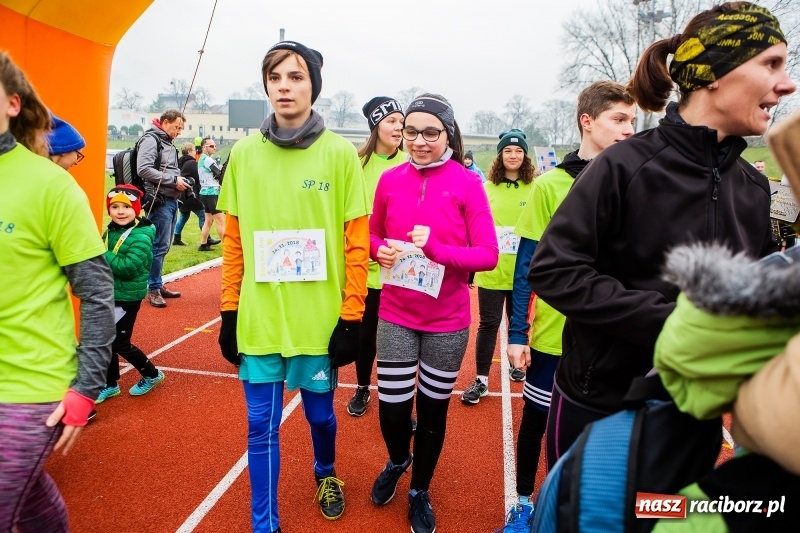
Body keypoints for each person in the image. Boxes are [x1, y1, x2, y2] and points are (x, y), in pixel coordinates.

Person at [529, 1, 794, 467]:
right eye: (770, 63)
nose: (787, 84)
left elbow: (751, 302)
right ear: (714, 72)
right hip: (601, 403)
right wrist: (675, 321)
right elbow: (554, 269)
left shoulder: (754, 188)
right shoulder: (622, 165)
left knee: (665, 518)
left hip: (694, 414)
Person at [216, 41, 370, 533]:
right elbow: (234, 242)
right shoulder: (242, 153)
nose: (284, 86)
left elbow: (356, 245)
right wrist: (229, 311)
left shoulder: (340, 154)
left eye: (296, 77)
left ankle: (325, 472)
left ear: (313, 85)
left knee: (321, 418)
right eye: (276, 77)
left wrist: (351, 315)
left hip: (317, 321)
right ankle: (266, 525)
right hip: (260, 319)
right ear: (266, 85)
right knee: (260, 427)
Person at [504, 81, 635, 530]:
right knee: (538, 423)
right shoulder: (549, 187)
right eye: (619, 119)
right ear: (587, 121)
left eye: (632, 121)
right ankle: (523, 503)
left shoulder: (635, 181)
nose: (628, 130)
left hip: (612, 340)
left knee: (605, 439)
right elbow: (526, 268)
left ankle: (577, 512)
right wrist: (518, 332)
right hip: (553, 338)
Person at [369, 93, 498, 533]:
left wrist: (438, 252)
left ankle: (419, 490)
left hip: (447, 322)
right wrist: (379, 251)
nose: (420, 141)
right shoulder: (389, 180)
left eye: (431, 132)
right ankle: (397, 458)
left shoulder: (467, 183)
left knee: (433, 411)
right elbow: (371, 235)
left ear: (447, 135)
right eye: (412, 132)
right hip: (396, 313)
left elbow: (488, 255)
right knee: (391, 409)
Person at [0, 51, 115, 531]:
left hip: (29, 388)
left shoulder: (50, 185)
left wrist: (86, 388)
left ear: (11, 104)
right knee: (29, 505)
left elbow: (96, 292)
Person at [461, 129, 535, 405]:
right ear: (500, 155)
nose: (513, 155)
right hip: (492, 270)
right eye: (507, 151)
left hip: (523, 273)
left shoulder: (536, 188)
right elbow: (473, 227)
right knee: (488, 325)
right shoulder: (486, 188)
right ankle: (480, 380)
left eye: (518, 151)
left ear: (525, 155)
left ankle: (518, 363)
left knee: (521, 323)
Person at [346, 95, 405, 417]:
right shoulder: (356, 163)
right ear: (375, 126)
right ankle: (362, 387)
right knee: (365, 336)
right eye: (392, 121)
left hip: (402, 269)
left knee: (399, 340)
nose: (399, 127)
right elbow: (348, 213)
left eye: (401, 121)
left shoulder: (411, 164)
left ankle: (397, 398)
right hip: (365, 267)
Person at [95, 184, 165, 405]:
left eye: (126, 207)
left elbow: (127, 267)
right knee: (106, 341)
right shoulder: (111, 230)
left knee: (120, 343)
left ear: (136, 210)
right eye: (115, 207)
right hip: (111, 294)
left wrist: (100, 252)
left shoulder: (141, 236)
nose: (120, 211)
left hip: (127, 298)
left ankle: (152, 374)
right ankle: (110, 384)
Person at [137, 109, 191, 308]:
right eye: (176, 127)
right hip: (159, 200)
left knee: (163, 246)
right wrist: (173, 179)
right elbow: (143, 168)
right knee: (158, 246)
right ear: (165, 122)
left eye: (181, 128)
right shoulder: (152, 140)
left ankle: (157, 284)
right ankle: (152, 289)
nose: (178, 131)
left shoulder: (166, 141)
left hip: (170, 200)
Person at [173, 141, 207, 246]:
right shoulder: (191, 163)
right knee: (203, 215)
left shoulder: (179, 162)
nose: (195, 152)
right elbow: (199, 177)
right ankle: (207, 238)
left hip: (181, 195)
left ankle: (176, 238)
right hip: (191, 195)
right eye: (193, 150)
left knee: (184, 216)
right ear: (189, 151)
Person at [198, 137, 225, 251]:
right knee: (221, 221)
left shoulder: (201, 159)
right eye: (211, 146)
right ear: (204, 147)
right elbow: (219, 174)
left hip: (204, 192)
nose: (214, 148)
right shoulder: (208, 160)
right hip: (211, 192)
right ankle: (227, 247)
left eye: (214, 145)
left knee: (208, 220)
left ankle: (203, 244)